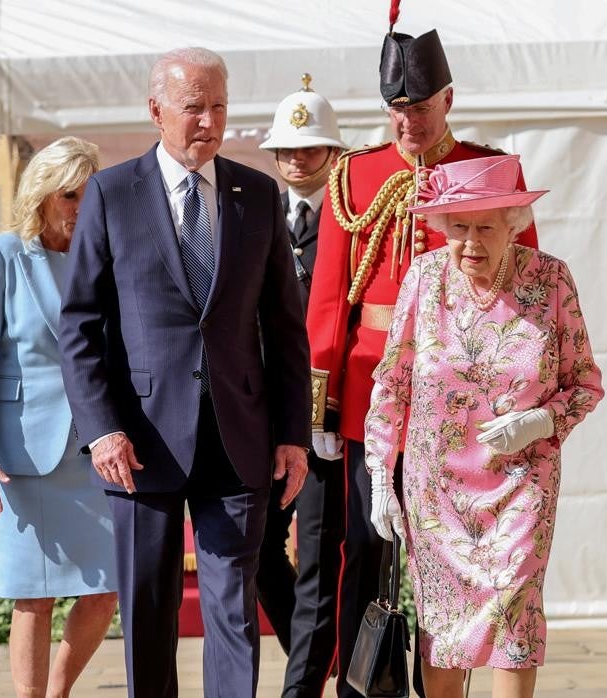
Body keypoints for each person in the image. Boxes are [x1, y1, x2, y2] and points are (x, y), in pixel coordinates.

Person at [58, 47, 311, 698]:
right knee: (149, 607)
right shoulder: (113, 194)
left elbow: (285, 329)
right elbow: (80, 323)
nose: (209, 120)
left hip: (240, 438)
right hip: (139, 444)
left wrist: (292, 435)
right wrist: (102, 429)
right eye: (193, 106)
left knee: (233, 604)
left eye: (219, 106)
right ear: (156, 111)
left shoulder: (257, 195)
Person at [303, 24, 539, 696]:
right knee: (363, 551)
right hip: (370, 388)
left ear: (449, 100)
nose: (408, 123)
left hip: (463, 401)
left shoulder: (487, 170)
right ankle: (360, 687)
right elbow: (327, 298)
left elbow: (522, 295)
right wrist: (319, 397)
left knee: (461, 558)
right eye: (397, 110)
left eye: (421, 108)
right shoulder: (355, 172)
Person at [364, 154, 603, 698]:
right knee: (443, 624)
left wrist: (541, 421)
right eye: (459, 228)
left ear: (513, 226)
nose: (470, 241)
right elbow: (392, 382)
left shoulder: (551, 279)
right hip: (436, 487)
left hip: (523, 484)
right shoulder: (424, 278)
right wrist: (381, 473)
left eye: (485, 227)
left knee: (515, 609)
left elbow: (585, 383)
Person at [0, 136, 119, 698]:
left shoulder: (102, 258)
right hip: (22, 456)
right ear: (43, 195)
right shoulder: (0, 255)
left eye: (88, 195)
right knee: (34, 593)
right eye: (69, 195)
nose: (79, 207)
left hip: (94, 450)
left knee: (105, 589)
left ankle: (58, 693)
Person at [257, 73, 348, 696]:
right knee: (259, 553)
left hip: (325, 417)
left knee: (316, 558)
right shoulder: (256, 211)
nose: (295, 160)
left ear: (333, 154)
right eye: (286, 151)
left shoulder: (352, 218)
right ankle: (314, 655)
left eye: (308, 149)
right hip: (260, 413)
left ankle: (304, 684)